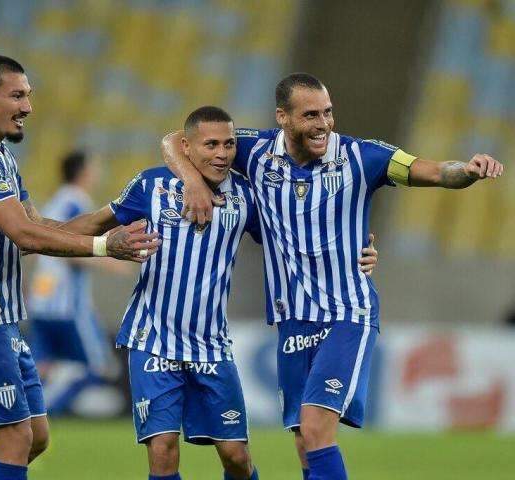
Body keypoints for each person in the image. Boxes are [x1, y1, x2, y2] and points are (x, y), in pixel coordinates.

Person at [161, 73, 503, 480]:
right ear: (283, 117)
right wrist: (192, 183)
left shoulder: (364, 156)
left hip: (346, 313)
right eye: (310, 115)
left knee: (316, 427)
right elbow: (172, 140)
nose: (323, 123)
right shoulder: (252, 150)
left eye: (327, 112)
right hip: (292, 318)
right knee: (305, 442)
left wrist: (467, 169)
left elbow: (432, 171)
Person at [58, 105, 377, 480]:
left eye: (228, 144)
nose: (222, 153)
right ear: (186, 148)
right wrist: (37, 234)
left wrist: (360, 250)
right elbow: (95, 222)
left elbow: (297, 235)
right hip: (153, 336)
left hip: (210, 344)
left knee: (236, 457)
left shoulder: (246, 197)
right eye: (210, 144)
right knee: (162, 449)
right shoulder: (152, 186)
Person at [0, 55, 160, 480]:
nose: (28, 107)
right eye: (17, 95)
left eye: (29, 96)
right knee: (15, 439)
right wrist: (103, 247)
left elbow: (42, 226)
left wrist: (117, 212)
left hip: (2, 318)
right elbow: (26, 236)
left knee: (35, 437)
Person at [28, 149, 127, 415]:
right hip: (67, 303)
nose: (97, 173)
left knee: (41, 366)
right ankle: (47, 409)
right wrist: (110, 259)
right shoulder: (76, 203)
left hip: (41, 300)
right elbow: (70, 250)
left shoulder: (54, 203)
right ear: (83, 172)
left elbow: (40, 249)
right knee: (100, 367)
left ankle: (24, 416)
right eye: (94, 167)